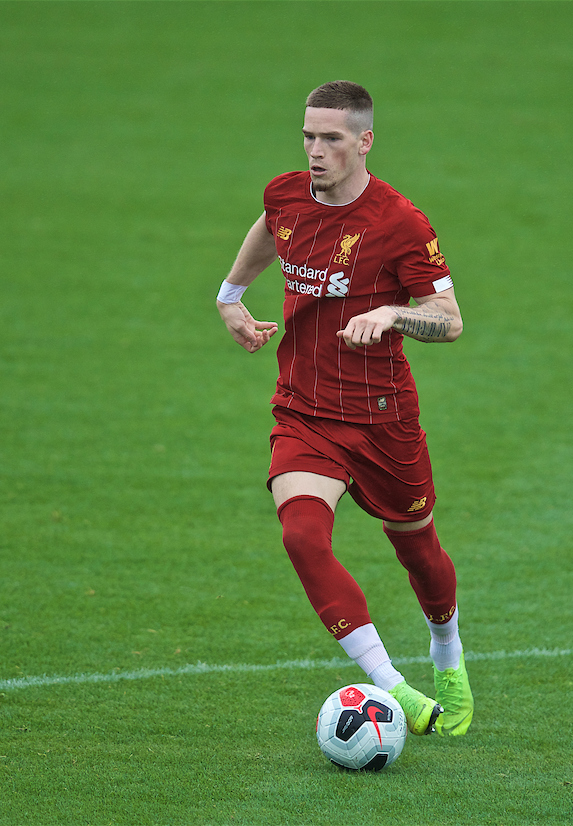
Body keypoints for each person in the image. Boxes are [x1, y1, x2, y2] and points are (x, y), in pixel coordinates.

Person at [215, 80, 473, 737]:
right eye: (308, 135)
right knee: (301, 535)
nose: (316, 150)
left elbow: (448, 321)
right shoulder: (285, 193)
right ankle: (395, 689)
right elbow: (272, 230)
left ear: (364, 142)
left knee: (420, 553)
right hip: (303, 411)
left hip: (382, 418)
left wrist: (391, 313)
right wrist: (230, 294)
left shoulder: (400, 223)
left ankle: (448, 652)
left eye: (331, 138)